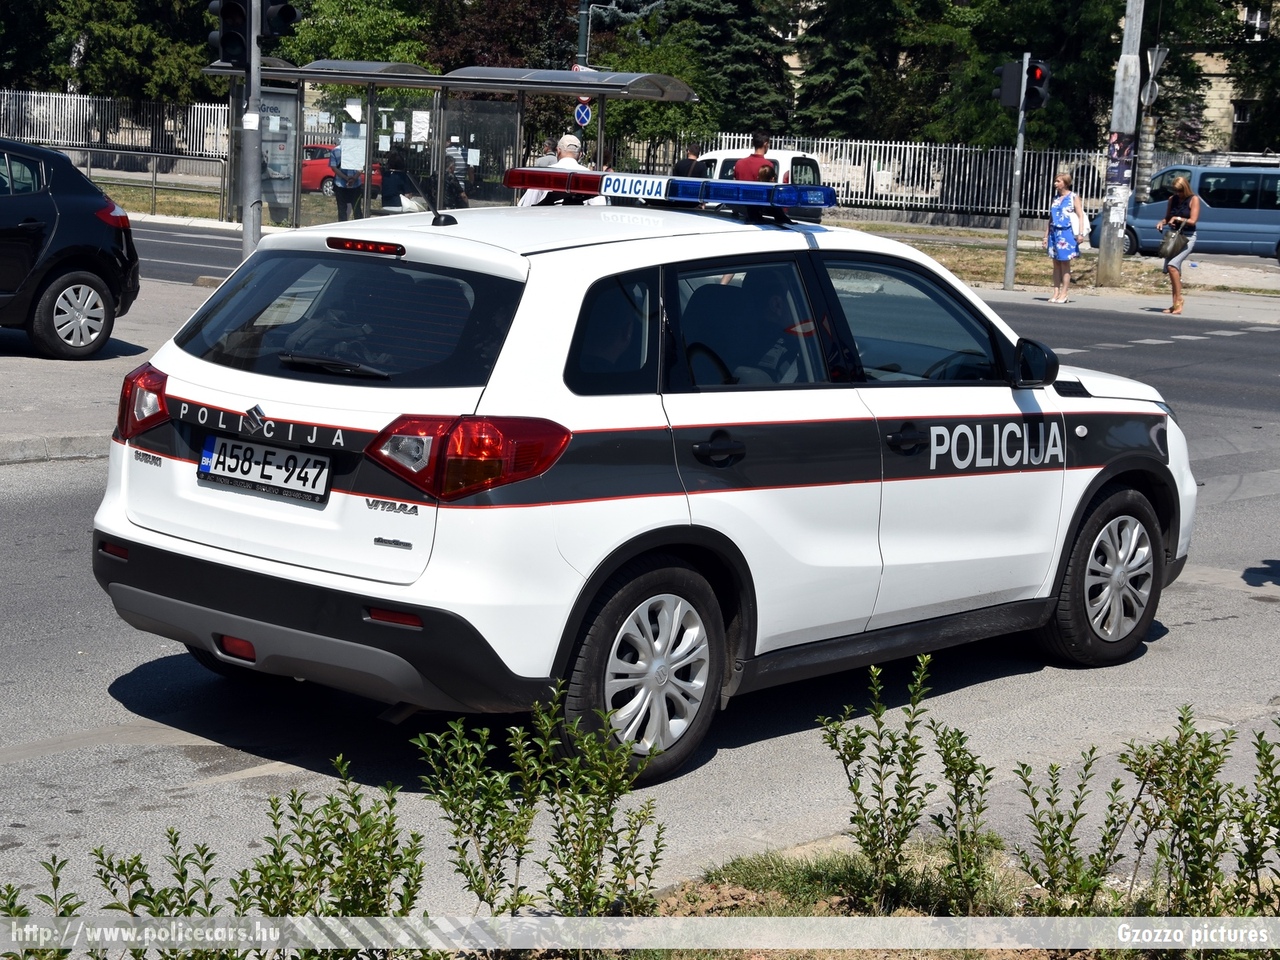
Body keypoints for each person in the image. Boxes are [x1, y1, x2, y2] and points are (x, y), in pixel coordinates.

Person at [517, 134, 605, 206]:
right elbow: (599, 208)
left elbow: (526, 205)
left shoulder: (544, 174)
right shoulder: (591, 177)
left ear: (558, 151)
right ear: (580, 154)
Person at [1155, 175, 1200, 314]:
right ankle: (1175, 304)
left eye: (1180, 191)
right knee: (1173, 271)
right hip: (1174, 237)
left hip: (1187, 237)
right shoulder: (1172, 199)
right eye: (1175, 191)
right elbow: (1168, 217)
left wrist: (1178, 219)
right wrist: (1162, 222)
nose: (1177, 194)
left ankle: (1179, 300)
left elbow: (1193, 220)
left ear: (1185, 188)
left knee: (1172, 266)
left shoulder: (1194, 199)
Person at [1044, 172, 1085, 303]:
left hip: (1066, 233)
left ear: (1065, 183)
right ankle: (1055, 292)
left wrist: (1080, 233)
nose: (1055, 183)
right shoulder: (1055, 198)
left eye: (1058, 181)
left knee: (1065, 263)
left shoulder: (1073, 197)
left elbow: (1080, 215)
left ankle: (1064, 293)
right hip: (1054, 233)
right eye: (1055, 181)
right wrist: (1045, 236)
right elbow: (1051, 218)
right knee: (1055, 263)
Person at [329, 144, 364, 221]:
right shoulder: (358, 149)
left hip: (340, 183)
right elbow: (361, 166)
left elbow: (333, 167)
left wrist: (346, 178)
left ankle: (342, 229)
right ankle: (359, 229)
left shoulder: (335, 150)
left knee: (342, 210)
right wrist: (354, 178)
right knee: (357, 209)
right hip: (355, 183)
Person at [379, 149, 420, 213]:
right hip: (398, 205)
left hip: (385, 204)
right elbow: (408, 194)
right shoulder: (402, 176)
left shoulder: (386, 175)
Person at [444, 137, 469, 207]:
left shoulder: (446, 151)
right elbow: (471, 169)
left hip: (448, 183)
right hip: (461, 184)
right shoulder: (465, 151)